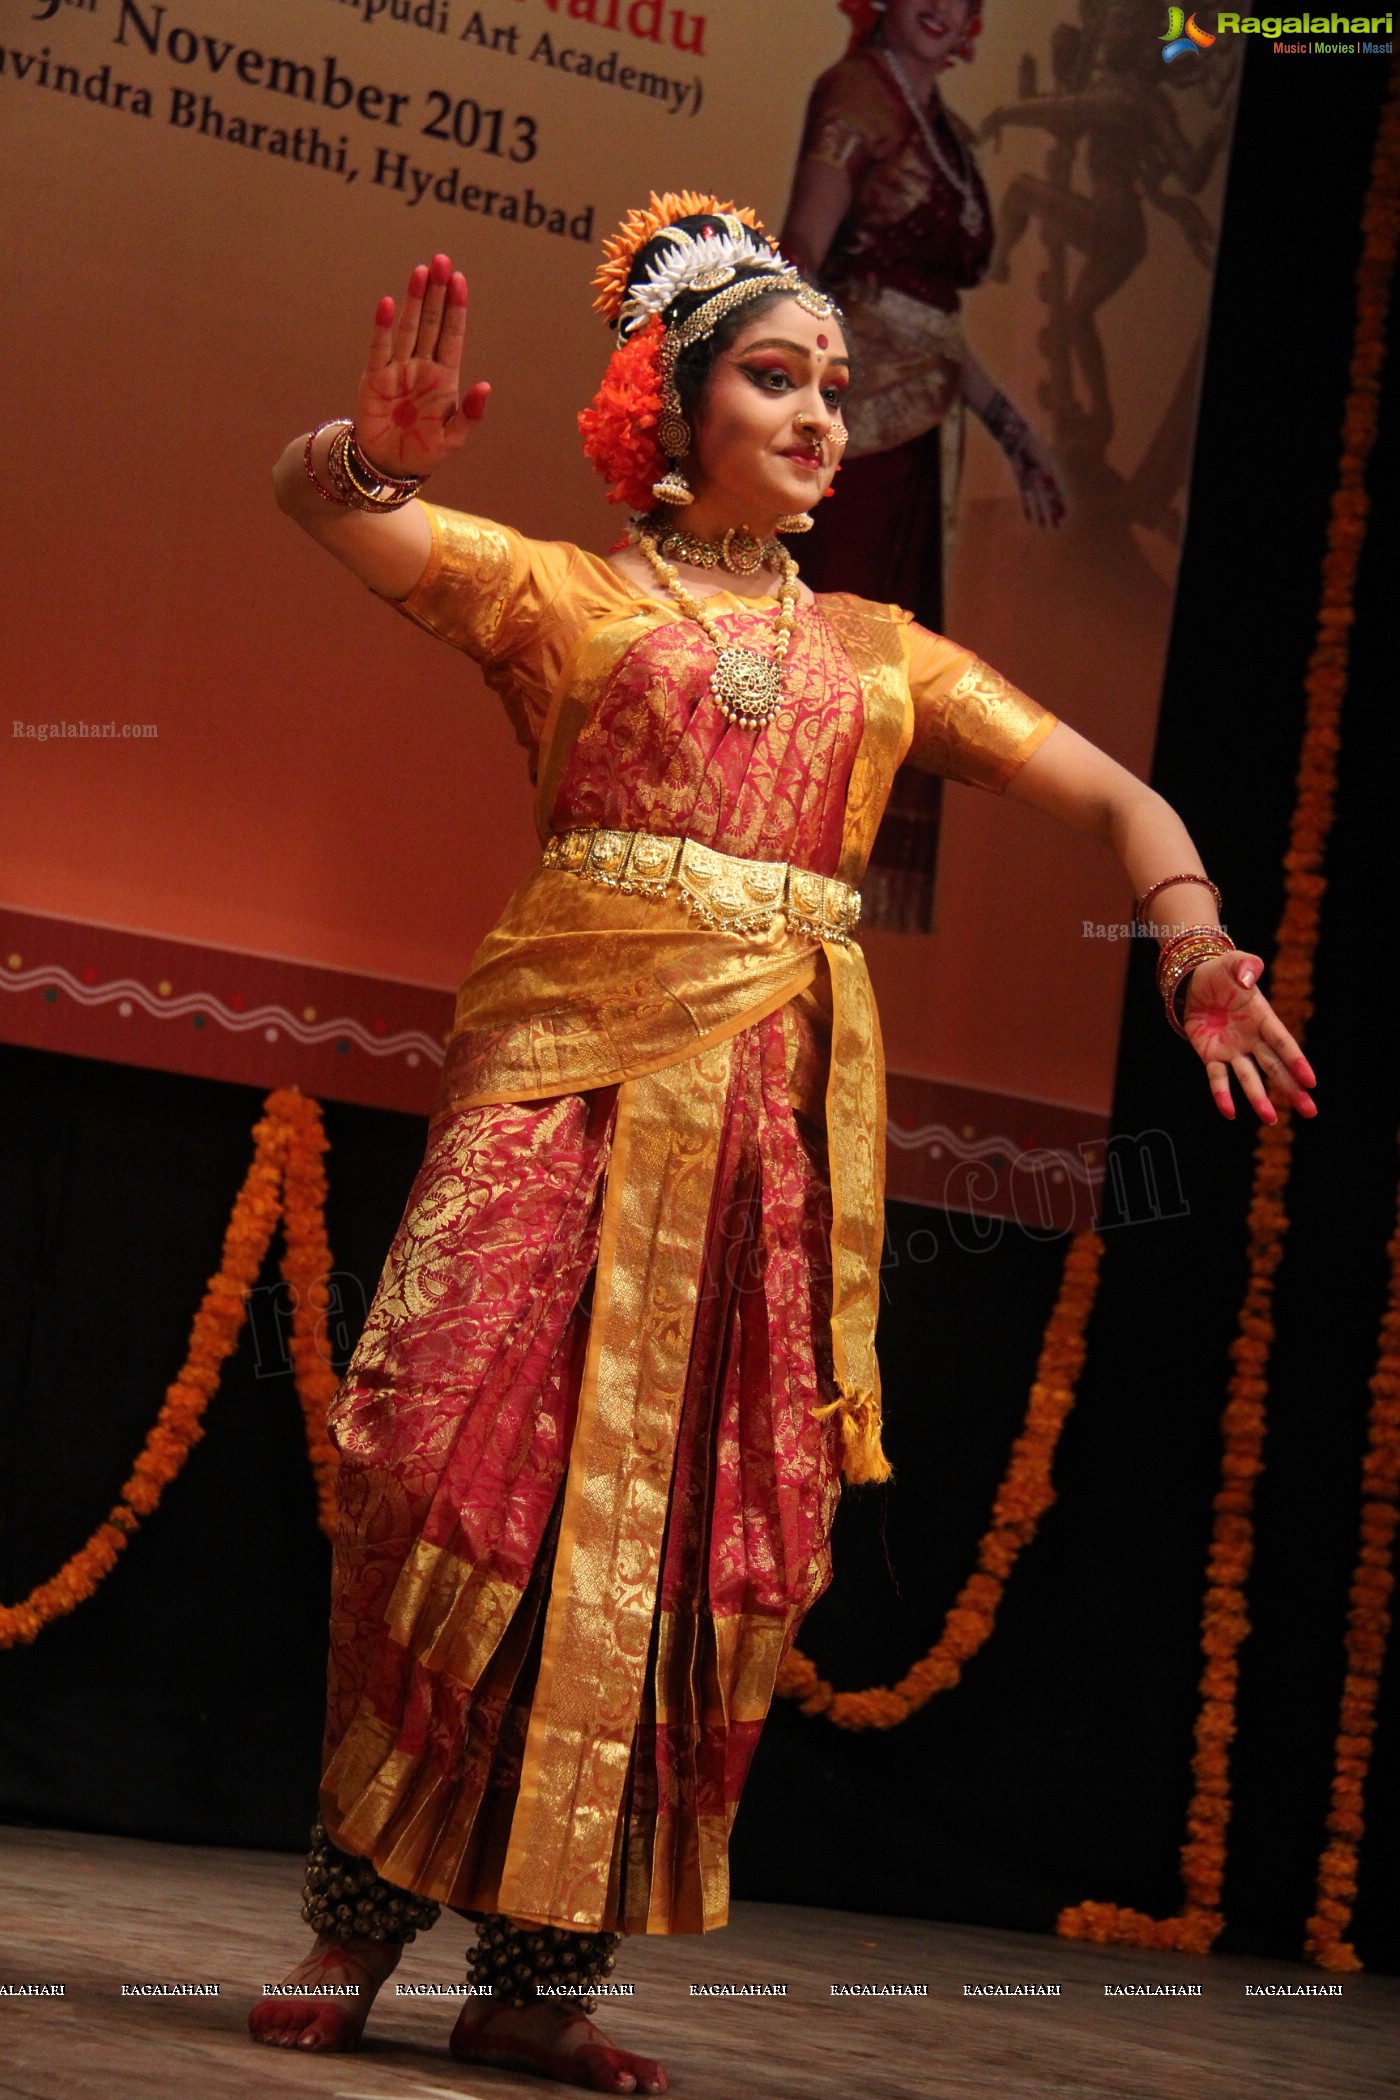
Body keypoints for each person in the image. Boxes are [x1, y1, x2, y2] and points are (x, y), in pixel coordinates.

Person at [250, 198, 1316, 2095]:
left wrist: (1193, 938)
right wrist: (371, 461)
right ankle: (355, 1917)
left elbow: (1119, 795)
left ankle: (538, 1980)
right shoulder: (568, 603)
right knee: (439, 1464)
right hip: (566, 1086)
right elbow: (326, 511)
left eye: (836, 386)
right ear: (674, 408)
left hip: (764, 1126)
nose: (826, 415)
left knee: (692, 1543)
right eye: (776, 378)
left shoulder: (889, 653)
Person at [782, 0, 1068, 931]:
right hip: (850, 436)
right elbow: (799, 260)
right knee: (827, 648)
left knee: (882, 671)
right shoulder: (854, 92)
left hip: (913, 435)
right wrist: (796, 399)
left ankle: (826, 896)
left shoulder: (939, 120)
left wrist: (1015, 432)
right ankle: (771, 858)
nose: (947, 9)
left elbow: (933, 326)